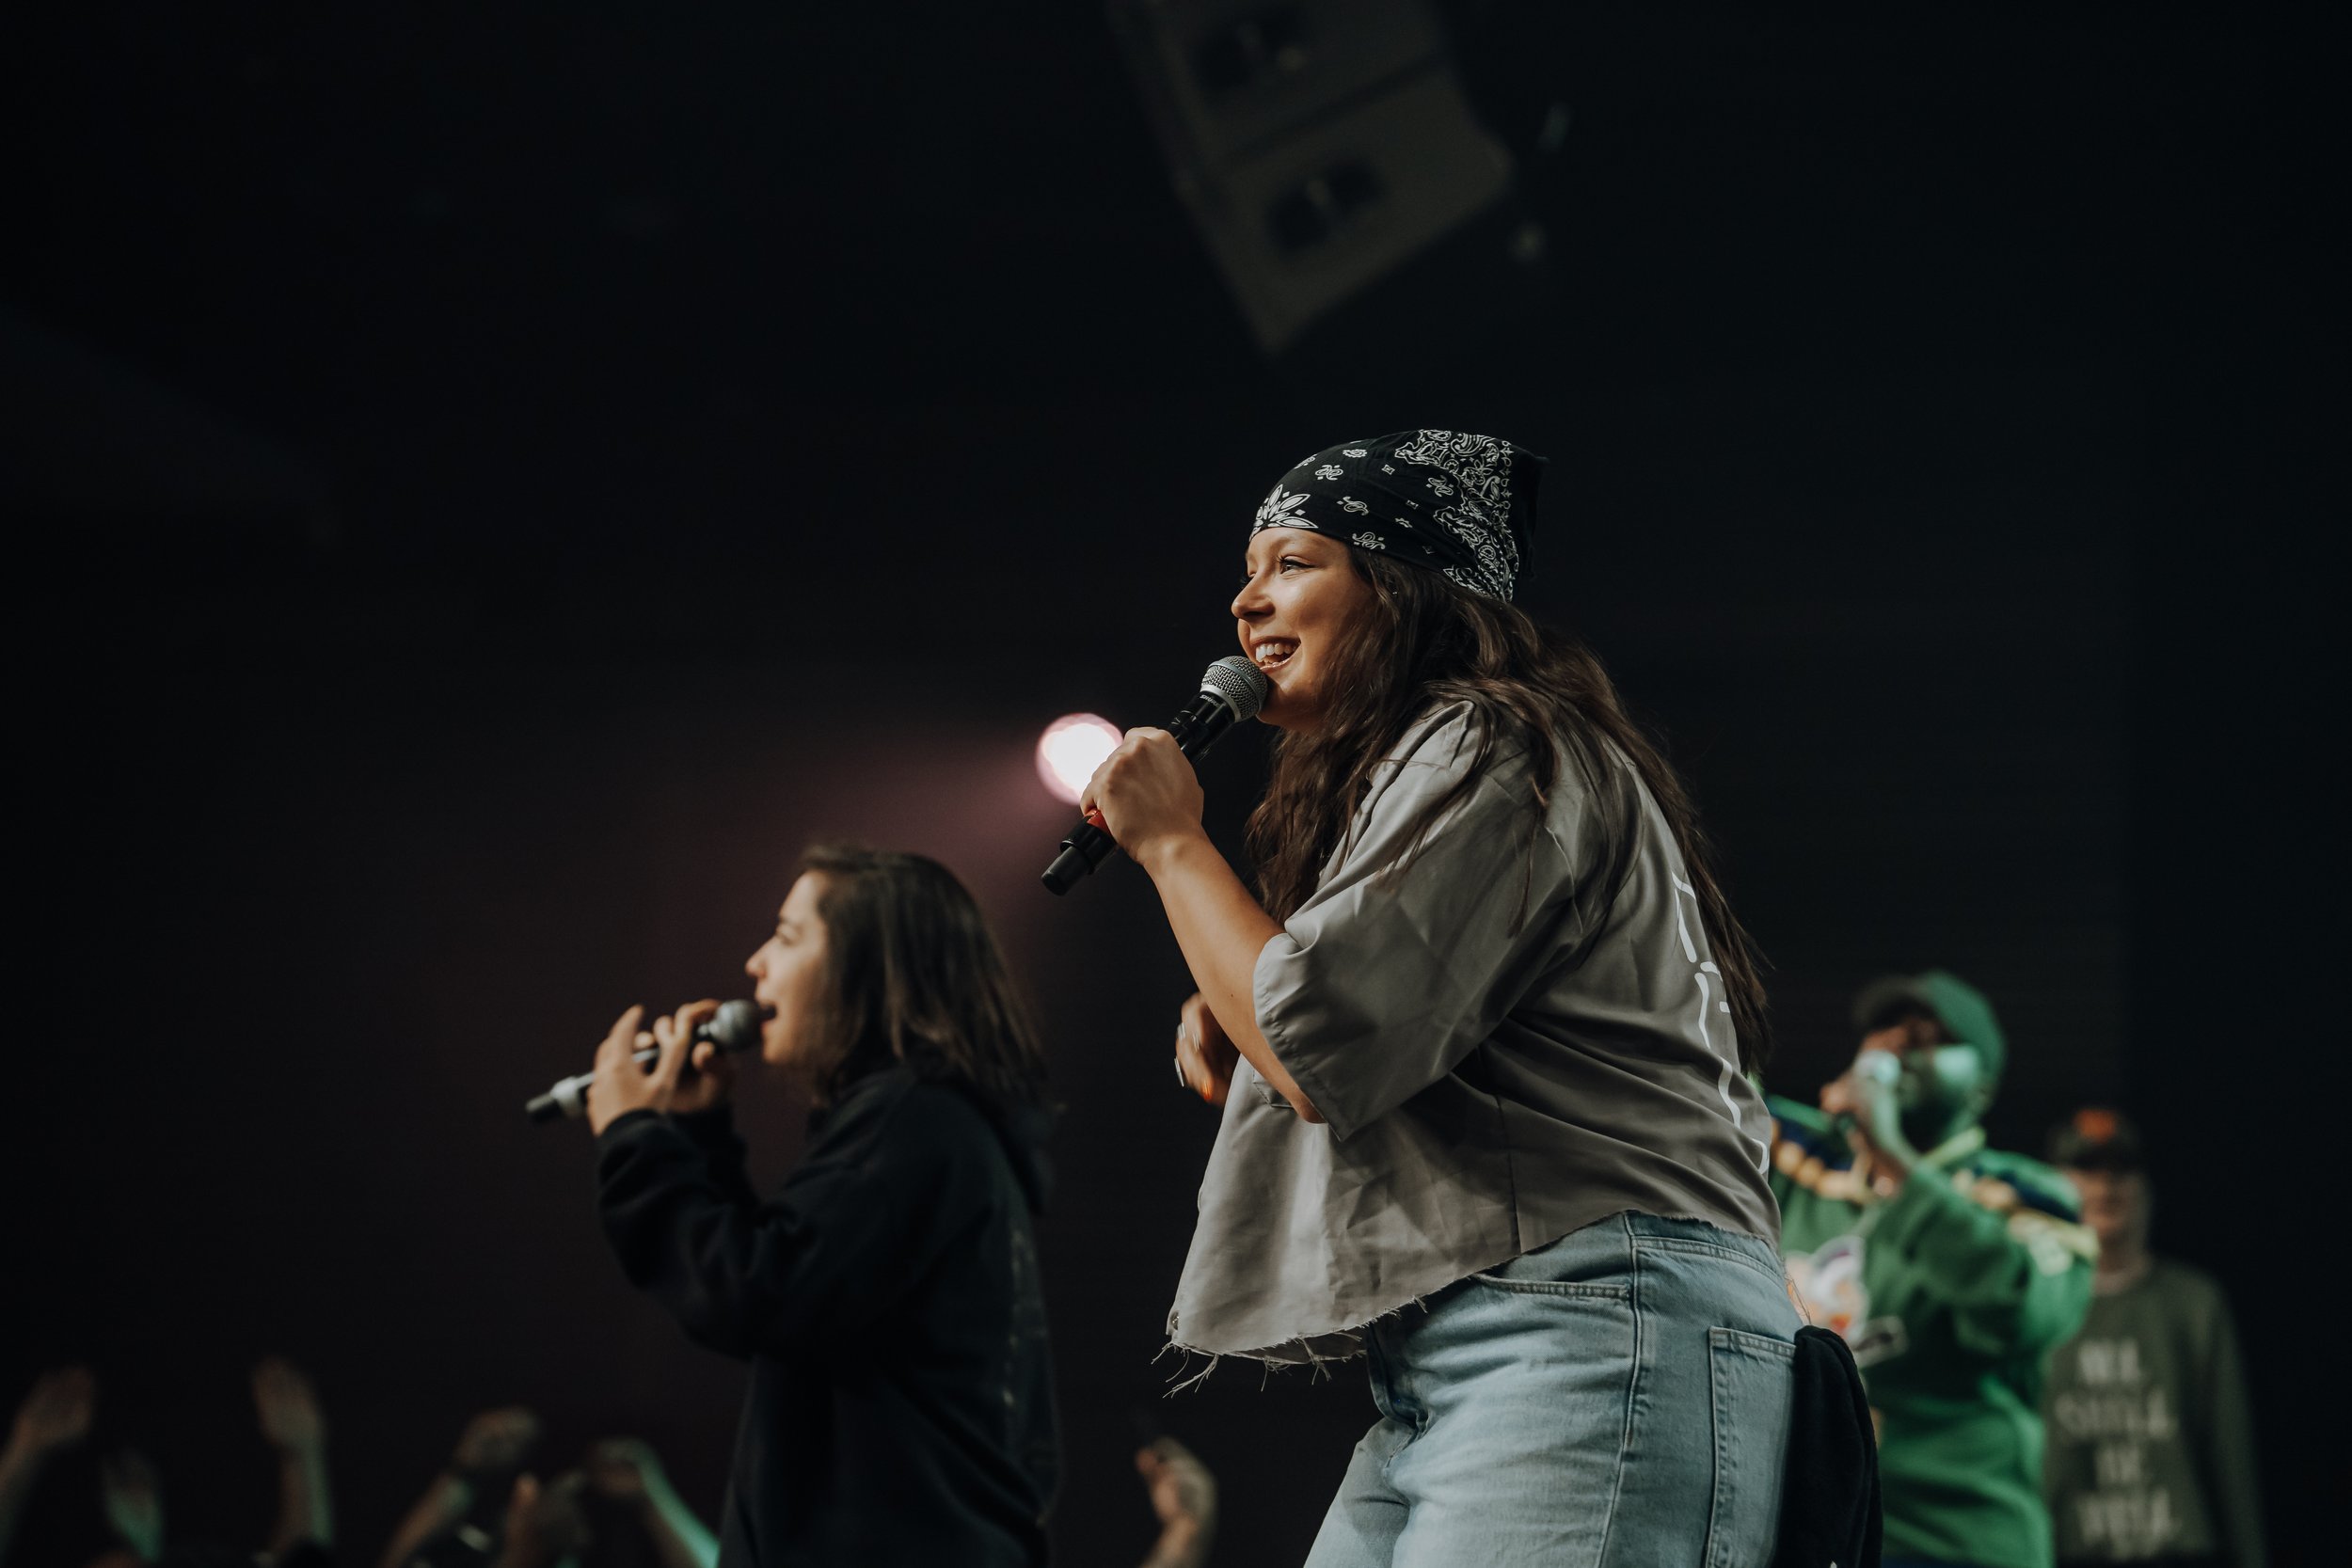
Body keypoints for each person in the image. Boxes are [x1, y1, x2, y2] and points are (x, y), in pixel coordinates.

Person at [1081, 430, 1793, 1565]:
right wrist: (1250, 985)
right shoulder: (1447, 759)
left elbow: (1324, 1042)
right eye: (1249, 566)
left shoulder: (1495, 739)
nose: (1243, 599)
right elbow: (1340, 1022)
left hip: (1593, 1320)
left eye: (1292, 561)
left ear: (1405, 587)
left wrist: (1171, 844)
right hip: (1485, 1340)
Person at [582, 844, 1060, 1567]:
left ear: (867, 968)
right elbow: (800, 1298)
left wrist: (635, 1137)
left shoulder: (913, 1120)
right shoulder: (942, 1127)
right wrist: (702, 1139)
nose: (755, 962)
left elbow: (757, 1291)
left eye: (787, 935)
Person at [1770, 971, 2095, 1568]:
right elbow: (1695, 1081)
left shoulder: (2024, 1192)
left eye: (1929, 1036)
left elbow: (2021, 1309)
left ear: (1981, 1090)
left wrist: (1892, 1156)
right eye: (1884, 1030)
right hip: (1814, 1543)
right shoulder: (1801, 1157)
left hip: (1954, 1542)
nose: (1897, 1043)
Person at [2042, 1109, 2265, 1568]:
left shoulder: (2194, 1303)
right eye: (2087, 1171)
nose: (2106, 1187)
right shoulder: (2036, 1304)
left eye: (2122, 1171)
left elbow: (2230, 1452)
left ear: (2146, 1186)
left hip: (2179, 1549)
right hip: (2066, 1551)